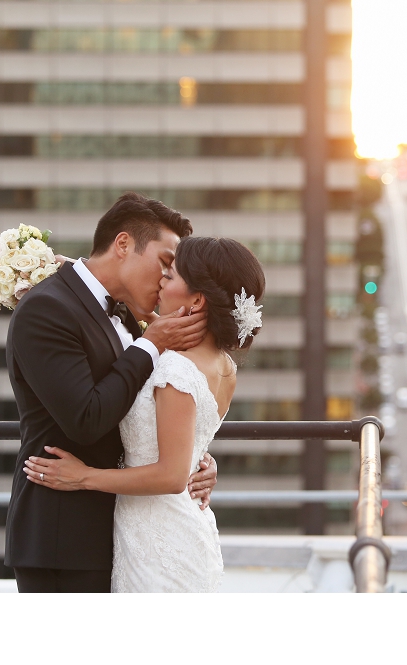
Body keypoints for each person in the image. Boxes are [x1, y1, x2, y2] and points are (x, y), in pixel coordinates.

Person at [23, 237, 265, 592]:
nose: (162, 280)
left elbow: (170, 475)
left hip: (157, 540)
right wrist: (77, 272)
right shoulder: (223, 365)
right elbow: (187, 440)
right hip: (177, 527)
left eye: (172, 275)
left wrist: (84, 476)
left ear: (197, 300)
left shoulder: (174, 370)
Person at [4, 193, 219, 593]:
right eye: (165, 263)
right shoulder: (46, 309)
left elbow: (139, 409)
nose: (166, 279)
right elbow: (86, 419)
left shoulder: (127, 317)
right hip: (63, 537)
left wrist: (193, 458)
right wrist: (150, 344)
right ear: (123, 245)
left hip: (124, 533)